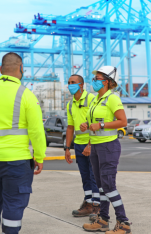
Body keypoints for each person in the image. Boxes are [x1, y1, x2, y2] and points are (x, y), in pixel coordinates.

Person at [0, 52, 46, 234]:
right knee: (14, 201)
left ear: (0, 70)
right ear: (21, 69)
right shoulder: (26, 95)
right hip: (16, 160)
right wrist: (40, 155)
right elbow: (36, 130)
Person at [80, 66, 132, 234]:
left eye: (98, 78)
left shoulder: (112, 98)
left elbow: (122, 121)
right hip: (95, 146)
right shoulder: (95, 100)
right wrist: (86, 126)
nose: (94, 81)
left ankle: (123, 223)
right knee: (101, 186)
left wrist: (101, 125)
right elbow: (94, 123)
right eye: (94, 78)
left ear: (108, 82)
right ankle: (103, 220)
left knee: (109, 185)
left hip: (108, 146)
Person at [65, 74, 101, 219]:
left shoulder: (92, 99)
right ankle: (88, 204)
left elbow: (97, 123)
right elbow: (70, 127)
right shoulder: (70, 104)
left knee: (94, 177)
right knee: (85, 176)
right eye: (68, 82)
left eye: (73, 82)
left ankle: (97, 206)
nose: (69, 85)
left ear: (81, 85)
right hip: (78, 145)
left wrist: (90, 144)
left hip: (91, 143)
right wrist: (67, 148)